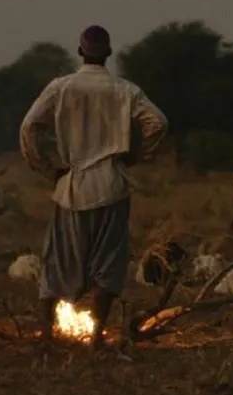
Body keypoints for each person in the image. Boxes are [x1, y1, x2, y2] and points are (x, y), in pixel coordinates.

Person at [18, 25, 168, 351]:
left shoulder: (61, 87)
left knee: (57, 260)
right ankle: (97, 337)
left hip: (71, 186)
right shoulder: (125, 90)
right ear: (109, 54)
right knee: (108, 262)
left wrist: (46, 168)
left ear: (80, 51)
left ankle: (45, 336)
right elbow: (158, 123)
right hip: (112, 185)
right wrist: (135, 156)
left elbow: (29, 126)